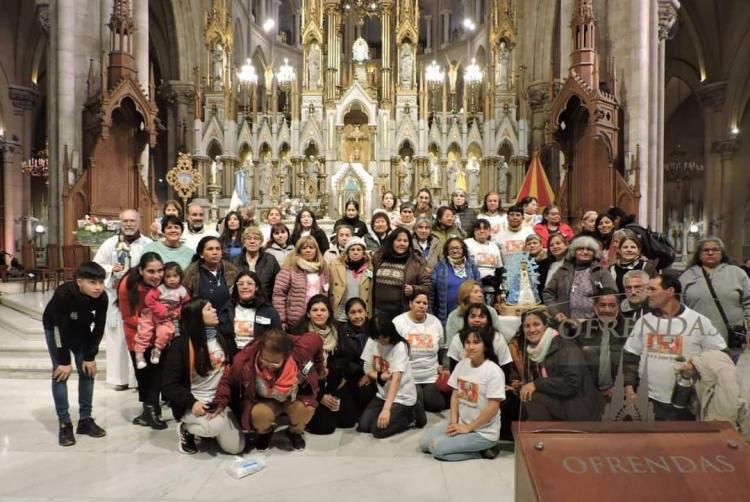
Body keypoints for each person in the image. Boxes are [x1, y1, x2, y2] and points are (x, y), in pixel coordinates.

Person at [623, 272, 727, 421]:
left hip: (685, 402)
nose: (647, 294)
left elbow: (722, 353)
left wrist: (697, 365)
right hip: (648, 400)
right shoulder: (644, 321)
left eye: (652, 289)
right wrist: (629, 386)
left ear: (670, 291)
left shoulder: (698, 321)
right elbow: (630, 356)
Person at [213, 329, 324, 451]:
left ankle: (295, 432)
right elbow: (227, 380)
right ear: (260, 351)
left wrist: (319, 366)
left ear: (287, 355)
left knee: (305, 409)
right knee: (260, 415)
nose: (269, 365)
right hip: (263, 400)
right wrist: (220, 402)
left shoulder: (302, 350)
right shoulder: (244, 360)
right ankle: (264, 434)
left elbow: (316, 339)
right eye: (265, 360)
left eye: (275, 362)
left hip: (293, 397)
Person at [161, 299, 245, 455]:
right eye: (208, 309)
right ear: (196, 316)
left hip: (219, 401)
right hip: (195, 402)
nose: (214, 311)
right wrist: (191, 403)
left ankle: (211, 426)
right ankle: (186, 429)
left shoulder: (223, 339)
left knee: (236, 448)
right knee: (212, 428)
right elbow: (168, 384)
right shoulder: (181, 345)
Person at [43, 262, 108, 446]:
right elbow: (58, 329)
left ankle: (85, 420)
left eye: (101, 282)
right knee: (60, 374)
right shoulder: (64, 295)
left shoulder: (102, 297)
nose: (98, 287)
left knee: (88, 371)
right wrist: (64, 361)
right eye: (92, 282)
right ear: (79, 281)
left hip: (81, 329)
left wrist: (90, 356)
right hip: (56, 329)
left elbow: (99, 327)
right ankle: (65, 423)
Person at [419, 328, 505, 461]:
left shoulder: (494, 371)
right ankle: (461, 439)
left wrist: (468, 428)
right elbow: (455, 396)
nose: (471, 347)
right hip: (461, 422)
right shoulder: (462, 365)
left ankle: (484, 451)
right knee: (424, 444)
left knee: (436, 448)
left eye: (476, 342)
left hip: (482, 432)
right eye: (468, 342)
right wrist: (454, 423)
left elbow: (493, 407)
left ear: (485, 346)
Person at [94, 208, 152, 391]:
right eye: (125, 221)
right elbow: (96, 266)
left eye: (132, 221)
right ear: (120, 222)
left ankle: (138, 380)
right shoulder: (110, 244)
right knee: (117, 338)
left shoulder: (148, 244)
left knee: (139, 337)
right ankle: (119, 379)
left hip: (139, 298)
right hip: (115, 297)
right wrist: (111, 268)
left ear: (139, 222)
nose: (129, 224)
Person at [517, 310, 602, 421]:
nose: (532, 330)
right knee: (526, 395)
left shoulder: (565, 346)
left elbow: (572, 383)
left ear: (545, 326)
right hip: (561, 400)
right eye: (527, 326)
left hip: (579, 405)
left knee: (532, 396)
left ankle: (542, 435)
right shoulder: (535, 350)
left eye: (536, 324)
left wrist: (536, 384)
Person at [300, 296, 366, 435]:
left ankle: (329, 411)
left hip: (335, 384)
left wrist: (337, 373)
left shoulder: (337, 330)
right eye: (315, 310)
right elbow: (301, 371)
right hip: (311, 389)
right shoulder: (300, 333)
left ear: (329, 312)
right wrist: (321, 396)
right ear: (308, 313)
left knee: (348, 421)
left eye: (323, 310)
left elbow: (346, 356)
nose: (319, 313)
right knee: (325, 428)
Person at [118, 252, 168, 429]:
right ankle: (150, 409)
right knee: (143, 374)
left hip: (161, 335)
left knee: (157, 373)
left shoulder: (165, 283)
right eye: (151, 271)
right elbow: (127, 315)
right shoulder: (127, 284)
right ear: (141, 271)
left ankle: (150, 409)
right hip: (137, 335)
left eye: (160, 271)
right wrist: (150, 325)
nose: (157, 276)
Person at [679, 237, 750, 361]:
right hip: (697, 338)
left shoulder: (738, 274)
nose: (710, 253)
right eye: (705, 250)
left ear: (722, 253)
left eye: (715, 250)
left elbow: (748, 302)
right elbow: (679, 306)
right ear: (699, 254)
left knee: (725, 376)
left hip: (729, 339)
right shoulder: (687, 276)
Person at [357, 318, 418, 438]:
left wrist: (386, 409)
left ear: (390, 333)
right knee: (363, 426)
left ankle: (412, 415)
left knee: (378, 431)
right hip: (383, 394)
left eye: (384, 338)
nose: (381, 341)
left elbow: (396, 380)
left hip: (401, 396)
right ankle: (395, 415)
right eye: (377, 338)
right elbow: (367, 368)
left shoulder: (400, 346)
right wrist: (379, 376)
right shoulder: (372, 340)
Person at [393, 292, 447, 423]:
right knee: (417, 404)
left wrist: (444, 366)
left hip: (430, 375)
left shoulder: (435, 322)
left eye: (425, 303)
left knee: (437, 405)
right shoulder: (398, 322)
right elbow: (391, 351)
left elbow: (442, 348)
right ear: (410, 304)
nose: (421, 306)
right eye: (418, 302)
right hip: (409, 376)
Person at [543, 235, 617, 322]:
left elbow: (614, 295)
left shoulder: (601, 272)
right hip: (566, 323)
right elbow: (548, 293)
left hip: (594, 325)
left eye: (589, 249)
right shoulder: (563, 271)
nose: (585, 252)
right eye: (581, 249)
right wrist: (555, 312)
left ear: (594, 253)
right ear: (574, 252)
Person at [134, 262, 190, 369]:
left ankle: (157, 350)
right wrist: (162, 311)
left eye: (175, 276)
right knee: (144, 331)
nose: (172, 279)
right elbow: (149, 300)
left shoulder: (182, 291)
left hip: (166, 317)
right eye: (168, 276)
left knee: (166, 332)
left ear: (180, 276)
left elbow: (185, 304)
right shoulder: (160, 289)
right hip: (152, 314)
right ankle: (139, 354)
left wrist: (177, 312)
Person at [577, 289, 627, 402]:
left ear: (618, 307)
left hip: (622, 395)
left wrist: (622, 386)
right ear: (595, 307)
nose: (607, 310)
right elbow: (577, 366)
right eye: (602, 305)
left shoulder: (631, 330)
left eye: (612, 305)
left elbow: (636, 364)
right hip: (590, 395)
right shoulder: (582, 330)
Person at [371, 228, 431, 320]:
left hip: (403, 312)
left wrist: (414, 289)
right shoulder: (380, 258)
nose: (402, 243)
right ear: (392, 241)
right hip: (379, 311)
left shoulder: (416, 262)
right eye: (398, 240)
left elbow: (427, 286)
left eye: (405, 241)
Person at [273, 235, 330, 330]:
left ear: (316, 250)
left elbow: (326, 293)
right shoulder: (289, 269)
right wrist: (281, 319)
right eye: (304, 248)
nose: (308, 250)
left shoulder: (323, 269)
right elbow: (279, 295)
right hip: (295, 321)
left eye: (311, 247)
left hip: (317, 319)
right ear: (299, 250)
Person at [218, 271, 281, 350]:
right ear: (236, 288)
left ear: (256, 287)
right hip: (234, 355)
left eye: (249, 283)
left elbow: (279, 339)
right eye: (240, 284)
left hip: (258, 354)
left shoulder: (269, 312)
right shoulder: (227, 309)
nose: (245, 287)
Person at [446, 303, 513, 372]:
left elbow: (505, 366)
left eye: (481, 317)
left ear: (488, 320)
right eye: (473, 316)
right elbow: (453, 368)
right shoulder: (457, 338)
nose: (477, 320)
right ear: (467, 319)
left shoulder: (497, 338)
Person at [431, 237, 481, 325]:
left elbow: (479, 289)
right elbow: (432, 294)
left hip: (470, 316)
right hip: (446, 317)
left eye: (457, 248)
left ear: (463, 249)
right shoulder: (439, 267)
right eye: (451, 248)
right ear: (447, 250)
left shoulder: (472, 266)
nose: (454, 251)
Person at [445, 281, 504, 350]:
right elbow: (450, 344)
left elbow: (498, 336)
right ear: (466, 296)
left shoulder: (491, 312)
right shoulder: (454, 316)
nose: (480, 295)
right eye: (476, 292)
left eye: (481, 292)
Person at [183, 236, 238, 310]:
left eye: (218, 249)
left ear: (221, 253)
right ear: (201, 254)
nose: (215, 252)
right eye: (210, 249)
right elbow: (185, 300)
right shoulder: (191, 272)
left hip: (228, 317)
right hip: (200, 317)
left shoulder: (232, 270)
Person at [330, 236, 372, 322]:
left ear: (364, 252)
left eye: (359, 249)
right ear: (347, 252)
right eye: (352, 250)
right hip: (340, 313)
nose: (355, 252)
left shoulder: (370, 267)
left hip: (360, 315)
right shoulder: (335, 266)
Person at [232, 226, 280, 300]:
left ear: (261, 243)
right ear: (243, 242)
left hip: (265, 303)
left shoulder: (270, 260)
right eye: (248, 238)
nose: (252, 241)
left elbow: (279, 285)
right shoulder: (235, 261)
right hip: (241, 303)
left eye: (256, 238)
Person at [524, 233, 550, 300]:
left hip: (546, 296)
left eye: (535, 243)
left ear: (541, 245)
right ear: (525, 247)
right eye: (529, 244)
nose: (532, 245)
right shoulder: (523, 262)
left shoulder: (548, 260)